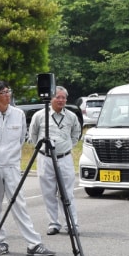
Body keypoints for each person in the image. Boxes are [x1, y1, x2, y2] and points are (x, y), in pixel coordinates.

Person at [0, 81, 54, 256]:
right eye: (3, 93)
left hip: (11, 166)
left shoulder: (18, 114)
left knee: (19, 204)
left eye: (8, 91)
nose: (7, 95)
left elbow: (21, 139)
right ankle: (0, 242)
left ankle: (33, 244)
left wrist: (10, 158)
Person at [28, 85, 82, 236]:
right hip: (45, 159)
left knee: (67, 193)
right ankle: (54, 223)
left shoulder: (71, 116)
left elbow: (76, 134)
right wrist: (40, 149)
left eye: (63, 97)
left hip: (64, 158)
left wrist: (68, 146)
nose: (61, 100)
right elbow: (32, 135)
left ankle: (71, 224)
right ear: (51, 98)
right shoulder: (39, 115)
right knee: (48, 192)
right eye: (58, 97)